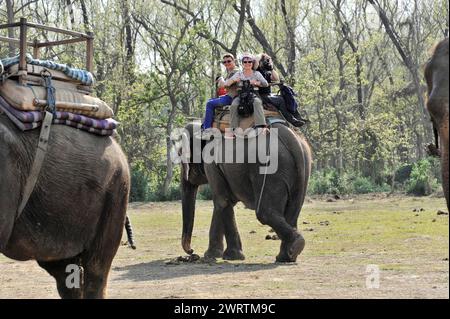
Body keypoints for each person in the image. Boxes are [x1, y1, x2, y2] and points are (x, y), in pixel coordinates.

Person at [225, 53, 269, 139]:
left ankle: (262, 127)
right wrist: (233, 80)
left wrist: (256, 83)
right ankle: (232, 130)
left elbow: (265, 84)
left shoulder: (256, 74)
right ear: (242, 63)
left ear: (252, 63)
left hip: (253, 94)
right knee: (234, 105)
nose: (247, 63)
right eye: (245, 62)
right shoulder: (239, 74)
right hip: (240, 95)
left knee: (257, 102)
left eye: (249, 61)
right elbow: (227, 83)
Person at [255, 53, 305, 127]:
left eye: (267, 60)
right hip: (260, 95)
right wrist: (262, 55)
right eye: (264, 60)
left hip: (268, 94)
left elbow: (276, 79)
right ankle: (291, 120)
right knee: (280, 100)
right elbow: (256, 60)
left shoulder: (267, 70)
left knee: (287, 96)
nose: (266, 62)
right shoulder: (256, 70)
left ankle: (297, 116)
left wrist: (271, 67)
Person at [200, 53, 239, 138]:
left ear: (234, 61)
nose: (227, 63)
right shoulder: (230, 72)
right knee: (211, 101)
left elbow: (223, 85)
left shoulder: (236, 72)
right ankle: (206, 125)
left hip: (232, 97)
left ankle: (207, 130)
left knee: (209, 104)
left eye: (229, 61)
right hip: (229, 95)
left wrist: (221, 79)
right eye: (224, 62)